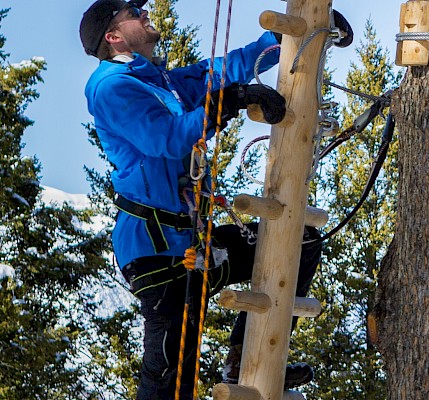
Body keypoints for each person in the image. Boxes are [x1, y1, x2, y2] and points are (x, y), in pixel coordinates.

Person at [80, 0, 334, 397]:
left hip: (197, 243)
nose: (143, 12)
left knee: (300, 241)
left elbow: (219, 70)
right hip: (156, 249)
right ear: (113, 37)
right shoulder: (111, 87)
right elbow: (166, 138)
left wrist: (277, 40)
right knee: (170, 367)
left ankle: (240, 360)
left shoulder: (159, 80)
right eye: (132, 12)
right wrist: (229, 101)